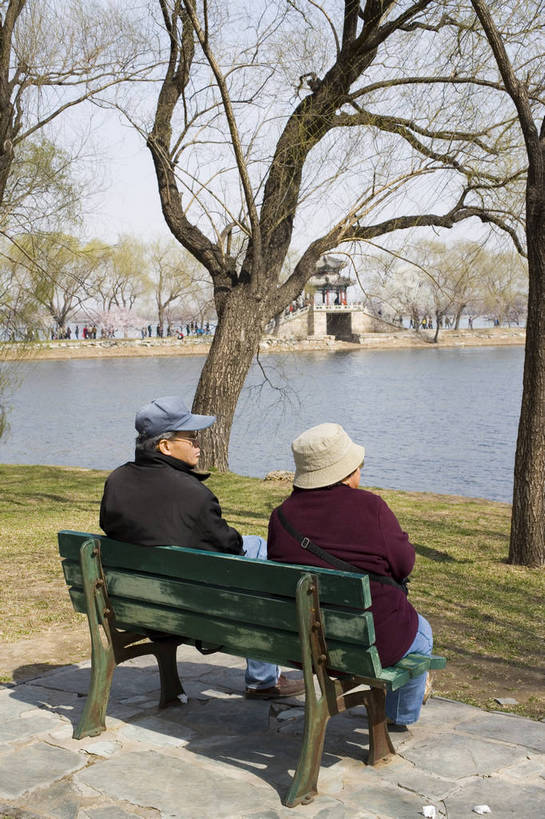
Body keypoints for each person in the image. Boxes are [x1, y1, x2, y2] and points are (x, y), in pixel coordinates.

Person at [100, 395, 304, 700]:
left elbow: (112, 527)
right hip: (192, 610)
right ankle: (263, 680)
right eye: (191, 437)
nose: (199, 444)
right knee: (258, 548)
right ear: (164, 445)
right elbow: (231, 547)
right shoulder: (194, 495)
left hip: (141, 605)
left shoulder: (116, 481)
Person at [267, 422, 433, 729]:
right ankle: (400, 718)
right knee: (423, 633)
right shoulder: (371, 507)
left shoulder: (280, 516)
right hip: (370, 642)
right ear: (345, 472)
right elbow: (404, 565)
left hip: (302, 643)